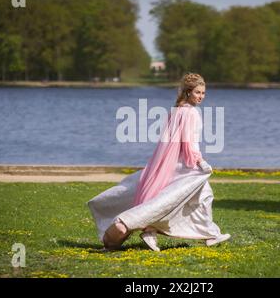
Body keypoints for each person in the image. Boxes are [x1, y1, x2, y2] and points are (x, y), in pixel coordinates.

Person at [87, 73, 230, 251]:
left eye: (203, 93)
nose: (201, 96)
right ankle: (205, 234)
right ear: (187, 92)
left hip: (170, 164)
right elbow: (189, 142)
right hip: (186, 164)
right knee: (196, 197)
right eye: (197, 92)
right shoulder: (191, 113)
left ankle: (156, 230)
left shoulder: (176, 110)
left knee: (174, 198)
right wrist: (200, 161)